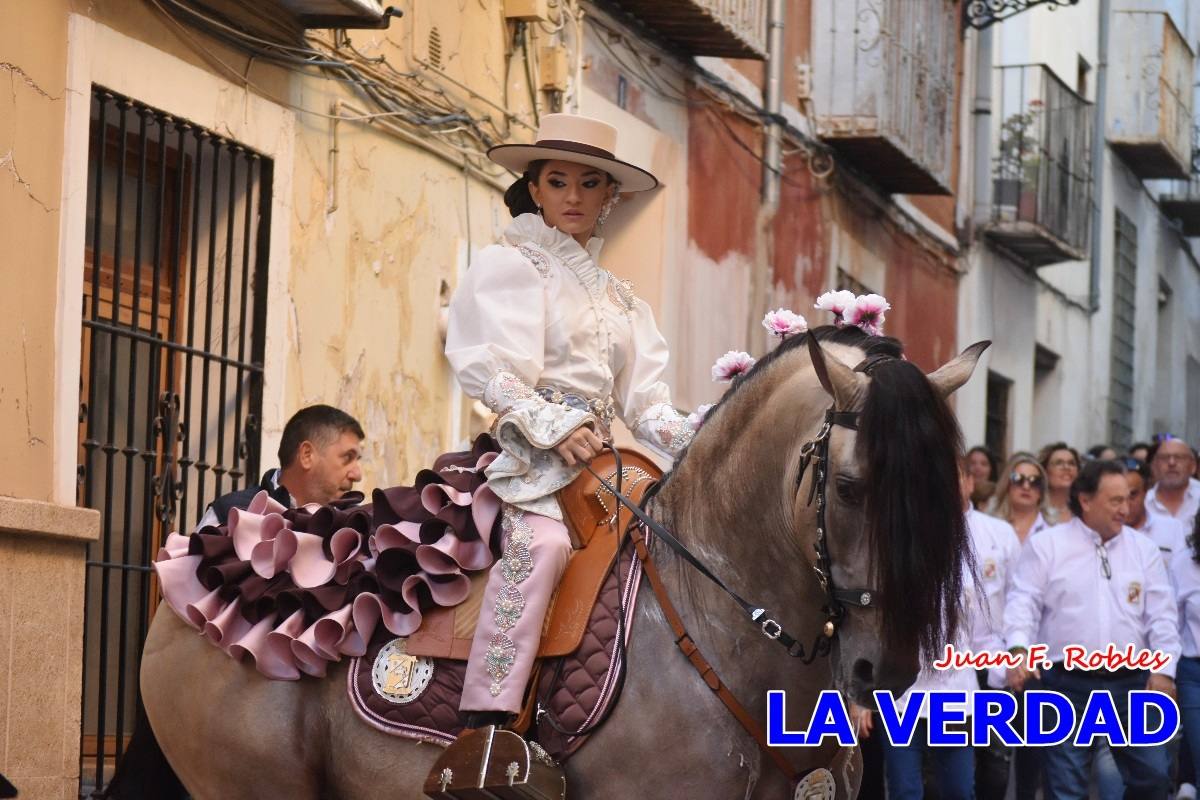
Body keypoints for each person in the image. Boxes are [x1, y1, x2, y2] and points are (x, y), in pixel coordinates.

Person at [445, 113, 693, 726]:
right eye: (558, 182)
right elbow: (492, 372)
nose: (573, 196)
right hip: (528, 464)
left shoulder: (622, 299)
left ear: (610, 196)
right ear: (535, 188)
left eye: (589, 183)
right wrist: (553, 426)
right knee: (543, 547)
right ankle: (487, 721)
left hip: (606, 471)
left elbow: (646, 406)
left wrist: (708, 434)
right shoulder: (512, 265)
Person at [1005, 460, 1180, 800]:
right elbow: (1022, 602)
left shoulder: (1143, 549)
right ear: (1085, 500)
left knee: (1154, 776)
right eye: (1115, 500)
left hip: (1132, 685)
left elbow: (1162, 616)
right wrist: (1018, 649)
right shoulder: (1047, 545)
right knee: (1066, 788)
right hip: (1063, 685)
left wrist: (1164, 670)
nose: (1125, 509)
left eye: (1128, 499)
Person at [866, 456, 1014, 800]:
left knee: (958, 790)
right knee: (905, 790)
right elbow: (873, 627)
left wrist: (1003, 670)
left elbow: (981, 631)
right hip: (902, 698)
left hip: (955, 696)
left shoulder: (972, 546)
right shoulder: (893, 543)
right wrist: (860, 699)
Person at [194, 404, 364, 530]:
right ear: (306, 455)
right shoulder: (230, 513)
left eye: (357, 460)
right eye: (347, 457)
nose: (357, 474)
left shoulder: (358, 524)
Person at [1126, 457, 1188, 559]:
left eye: (1132, 495)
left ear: (1146, 491)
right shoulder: (1103, 533)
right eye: (1117, 497)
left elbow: (1180, 566)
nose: (1125, 504)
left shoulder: (1172, 529)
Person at [988, 452, 1050, 543]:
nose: (1026, 486)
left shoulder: (1053, 529)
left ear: (1041, 491)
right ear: (1007, 485)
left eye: (1034, 481)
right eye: (1017, 479)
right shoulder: (989, 526)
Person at [1147, 437, 1200, 525]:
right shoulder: (1143, 503)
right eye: (1164, 458)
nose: (1171, 463)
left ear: (1193, 466)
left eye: (1179, 457)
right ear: (1154, 466)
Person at [1038, 442, 1080, 525]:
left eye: (1071, 463)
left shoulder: (1084, 510)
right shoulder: (1034, 509)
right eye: (1059, 463)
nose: (1066, 467)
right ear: (1045, 471)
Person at [967, 444, 1000, 510]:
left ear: (992, 469)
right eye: (972, 463)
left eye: (984, 464)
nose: (977, 468)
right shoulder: (958, 497)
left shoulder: (1000, 498)